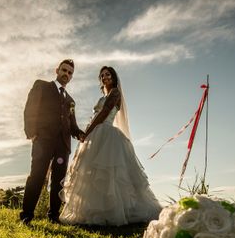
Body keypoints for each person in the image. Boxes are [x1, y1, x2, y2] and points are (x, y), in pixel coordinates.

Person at [60, 66, 162, 226]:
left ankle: (117, 211)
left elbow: (104, 113)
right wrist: (87, 132)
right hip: (96, 133)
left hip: (106, 133)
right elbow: (95, 115)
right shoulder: (105, 94)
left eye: (107, 74)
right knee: (94, 174)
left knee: (110, 174)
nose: (104, 77)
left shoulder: (115, 93)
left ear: (113, 77)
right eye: (102, 75)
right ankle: (96, 211)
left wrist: (87, 133)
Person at [20, 59, 85, 224]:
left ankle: (54, 216)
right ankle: (26, 215)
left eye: (70, 73)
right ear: (57, 70)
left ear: (71, 77)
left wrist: (81, 134)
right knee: (37, 176)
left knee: (59, 181)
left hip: (63, 145)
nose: (66, 74)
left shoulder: (71, 101)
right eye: (64, 70)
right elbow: (30, 108)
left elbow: (72, 125)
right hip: (43, 141)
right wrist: (31, 133)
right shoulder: (42, 86)